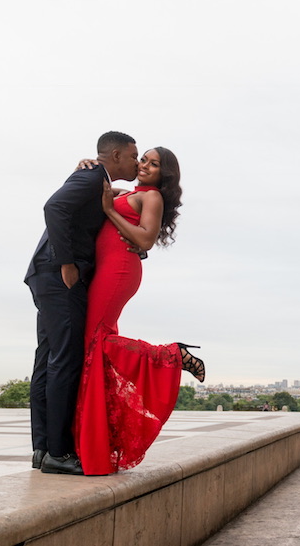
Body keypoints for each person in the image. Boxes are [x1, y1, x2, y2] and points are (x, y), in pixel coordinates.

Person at [74, 146, 205, 476]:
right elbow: (100, 188)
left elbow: (146, 240)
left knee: (96, 342)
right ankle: (94, 442)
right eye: (144, 160)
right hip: (108, 268)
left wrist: (110, 211)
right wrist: (87, 166)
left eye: (154, 163)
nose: (145, 165)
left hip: (119, 269)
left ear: (165, 173)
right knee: (96, 347)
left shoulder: (152, 198)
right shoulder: (133, 192)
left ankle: (171, 355)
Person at [25, 131, 140, 475]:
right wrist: (68, 263)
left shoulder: (92, 178)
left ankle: (44, 448)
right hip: (59, 275)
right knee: (66, 359)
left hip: (45, 274)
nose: (136, 162)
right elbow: (54, 206)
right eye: (134, 156)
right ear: (116, 155)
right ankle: (59, 454)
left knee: (48, 358)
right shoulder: (91, 176)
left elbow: (73, 211)